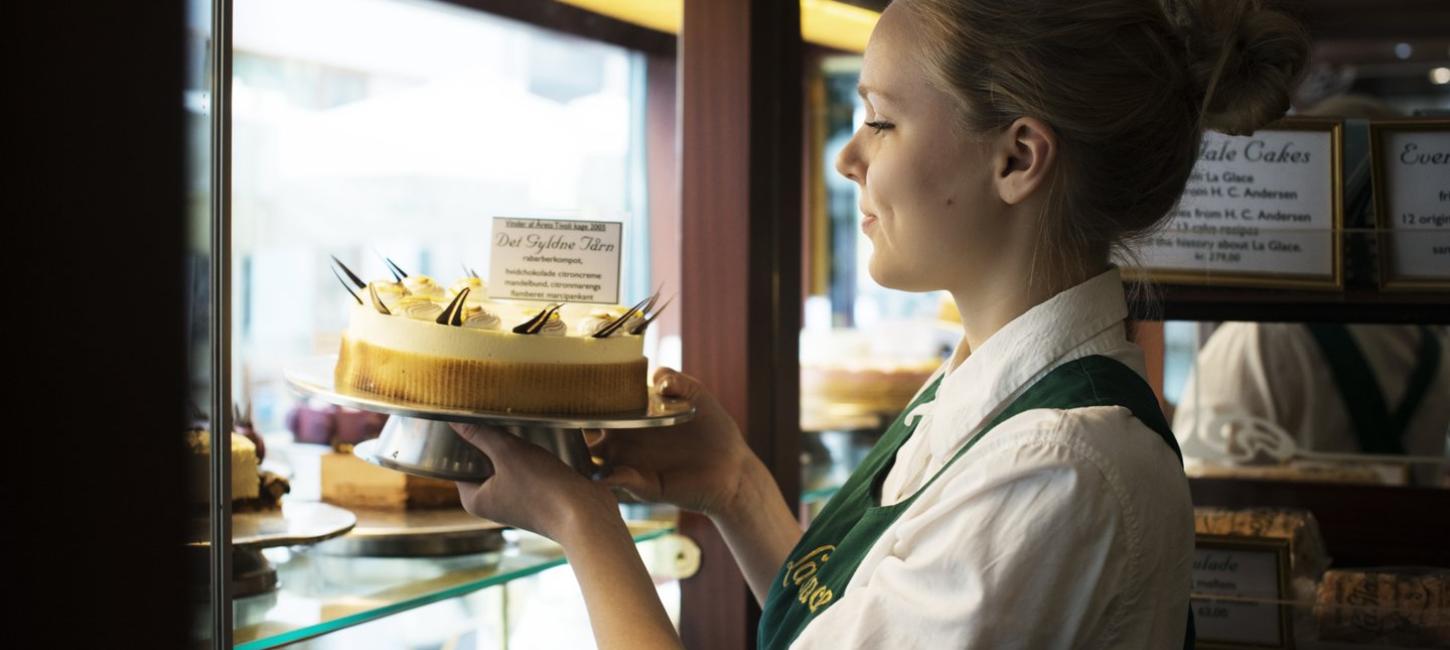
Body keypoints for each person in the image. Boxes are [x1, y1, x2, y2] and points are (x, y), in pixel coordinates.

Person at [451, 0, 1308, 646]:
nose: (847, 157)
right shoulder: (993, 395)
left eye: (880, 121)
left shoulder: (1059, 466)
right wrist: (734, 487)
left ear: (1017, 157)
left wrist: (583, 524)